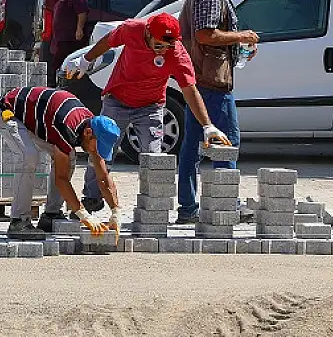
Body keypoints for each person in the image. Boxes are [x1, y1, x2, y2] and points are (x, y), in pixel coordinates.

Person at [63, 12, 232, 213]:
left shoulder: (176, 53)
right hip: (118, 100)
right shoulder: (132, 29)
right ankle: (92, 198)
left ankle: (153, 207)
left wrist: (208, 126)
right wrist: (85, 60)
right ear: (148, 33)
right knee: (100, 151)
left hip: (151, 107)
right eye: (159, 45)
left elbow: (189, 89)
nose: (162, 51)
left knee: (154, 158)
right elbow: (108, 42)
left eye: (168, 46)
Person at [174, 0, 260, 224]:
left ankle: (188, 208)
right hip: (211, 81)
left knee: (191, 147)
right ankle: (227, 206)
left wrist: (238, 44)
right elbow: (205, 35)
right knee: (226, 143)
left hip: (202, 79)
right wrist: (241, 36)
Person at [0, 86, 122, 240]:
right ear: (88, 133)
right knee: (29, 156)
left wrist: (116, 211)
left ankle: (50, 216)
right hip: (7, 113)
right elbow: (61, 179)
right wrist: (84, 215)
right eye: (97, 147)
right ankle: (19, 221)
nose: (96, 151)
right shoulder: (67, 126)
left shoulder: (91, 127)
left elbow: (103, 176)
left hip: (35, 119)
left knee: (68, 157)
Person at [48, 0, 90, 86]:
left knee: (59, 66)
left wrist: (79, 29)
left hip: (70, 40)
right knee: (58, 67)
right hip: (61, 39)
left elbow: (82, 12)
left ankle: (59, 89)